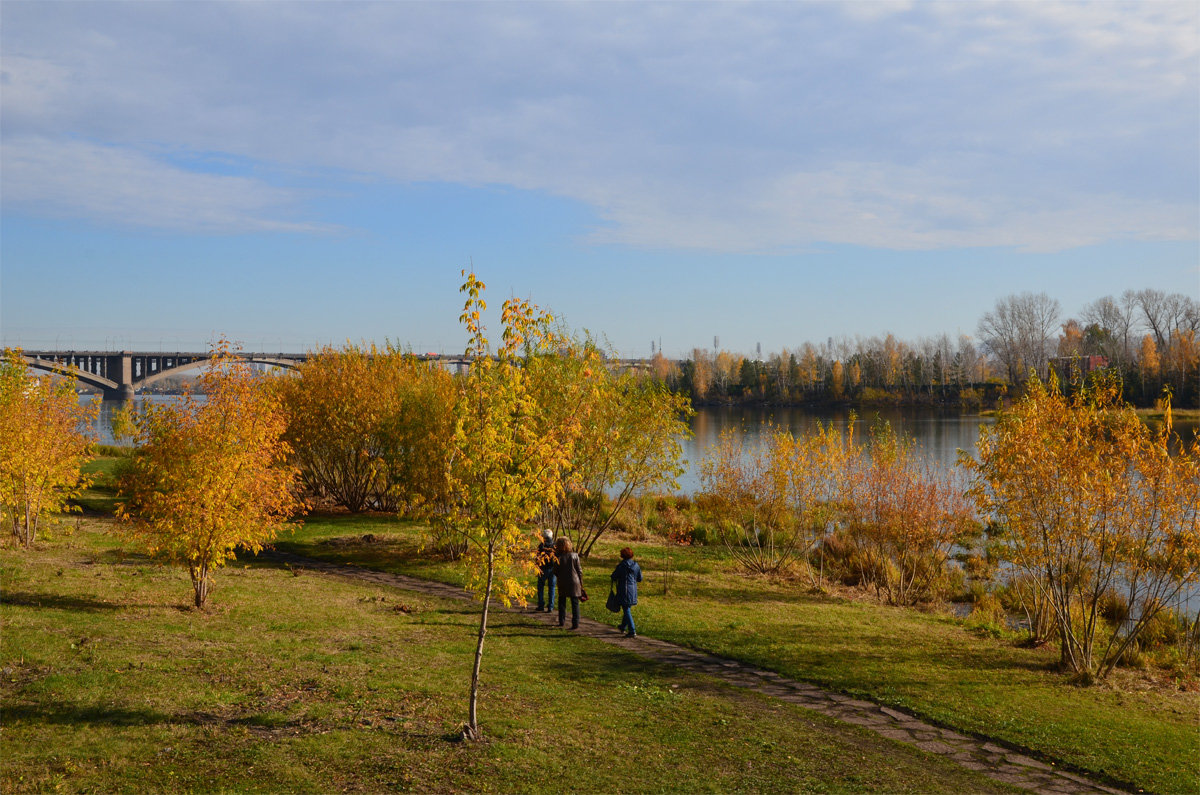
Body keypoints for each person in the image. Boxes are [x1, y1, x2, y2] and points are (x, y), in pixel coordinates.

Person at [611, 547, 643, 637]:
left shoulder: (621, 566)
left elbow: (614, 576)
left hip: (623, 590)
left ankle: (632, 630)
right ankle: (622, 626)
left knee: (626, 609)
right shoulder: (636, 565)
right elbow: (640, 578)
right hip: (633, 590)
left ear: (622, 556)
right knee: (627, 607)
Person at [554, 537, 584, 629]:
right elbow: (579, 571)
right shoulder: (575, 556)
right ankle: (575, 623)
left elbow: (555, 571)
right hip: (574, 582)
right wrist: (581, 584)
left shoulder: (558, 557)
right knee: (575, 603)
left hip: (563, 581)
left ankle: (561, 621)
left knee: (562, 602)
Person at [535, 529, 557, 612]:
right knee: (552, 587)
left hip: (543, 569)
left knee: (540, 587)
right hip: (552, 569)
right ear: (552, 536)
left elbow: (537, 558)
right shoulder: (555, 546)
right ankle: (550, 606)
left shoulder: (541, 546)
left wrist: (537, 567)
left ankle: (541, 605)